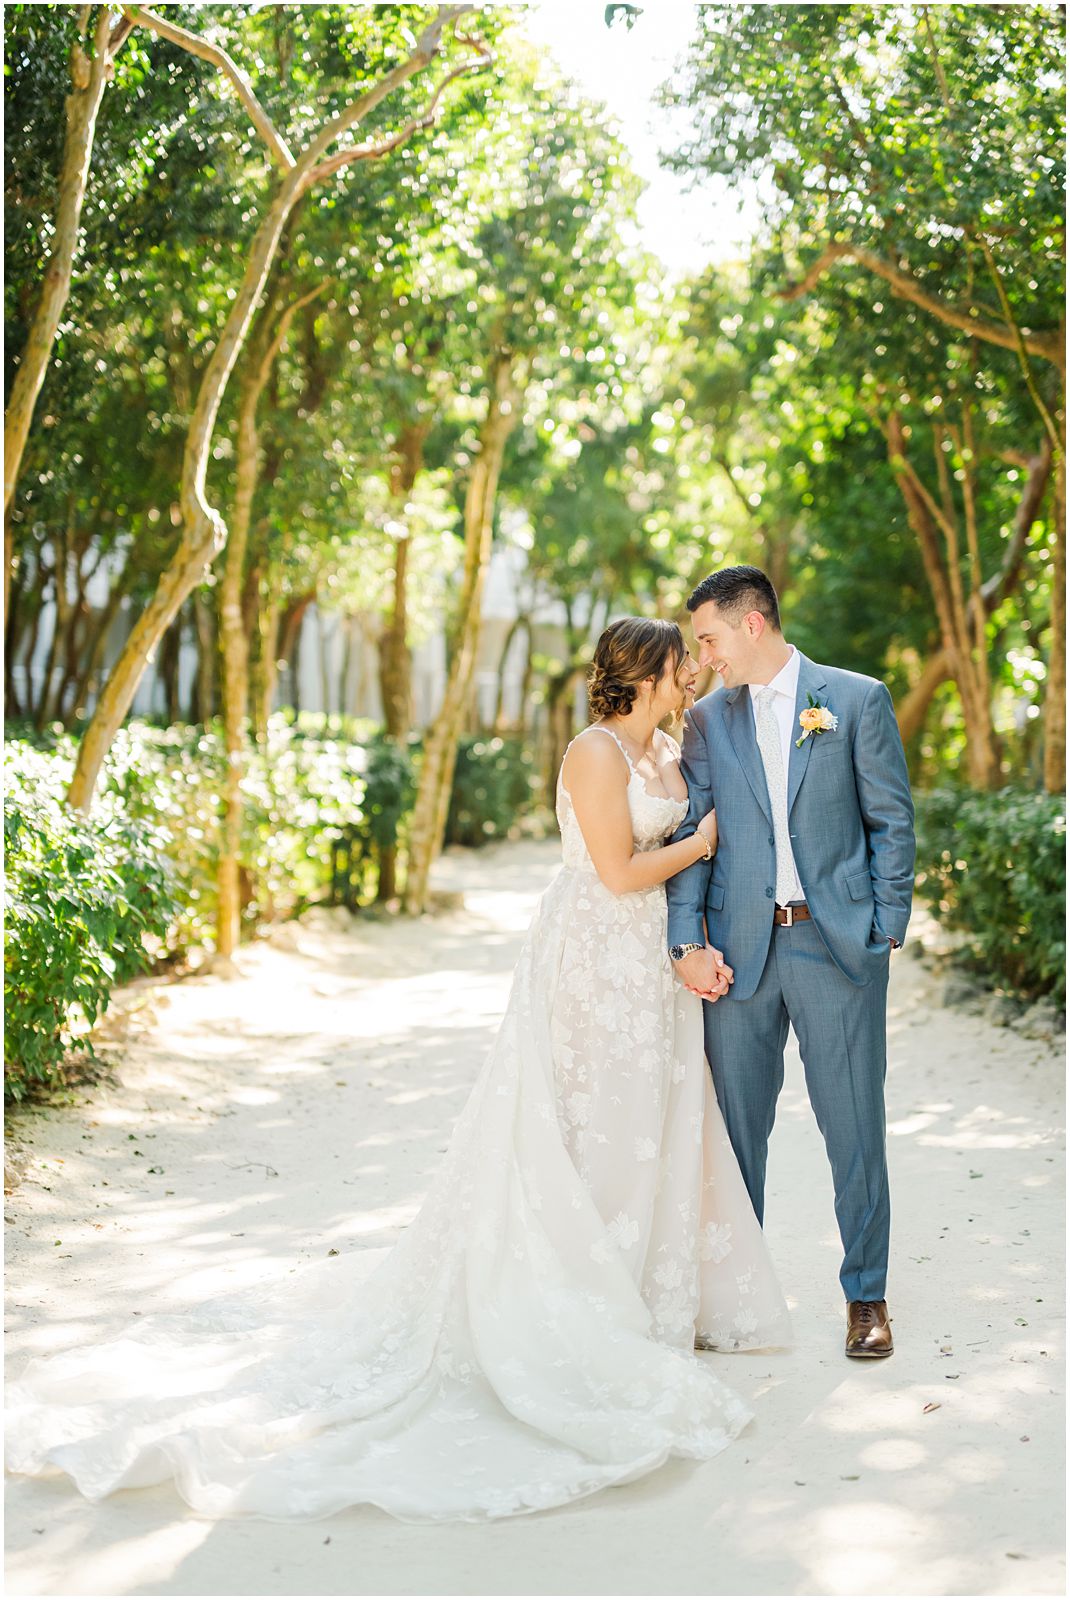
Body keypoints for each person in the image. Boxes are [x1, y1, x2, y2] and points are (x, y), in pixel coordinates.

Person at [6, 616, 789, 1524]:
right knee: (587, 1126)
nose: (689, 669)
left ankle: (641, 1294)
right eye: (678, 659)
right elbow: (616, 872)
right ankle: (578, 1304)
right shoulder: (595, 753)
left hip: (648, 966)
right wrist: (705, 841)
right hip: (591, 959)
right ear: (642, 673)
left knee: (645, 1125)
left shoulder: (668, 747)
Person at [666, 566, 915, 1360]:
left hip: (835, 945)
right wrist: (686, 942)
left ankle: (867, 1298)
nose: (704, 657)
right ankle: (740, 1300)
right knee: (736, 1133)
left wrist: (885, 927)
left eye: (709, 638)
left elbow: (891, 820)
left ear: (752, 624)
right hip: (737, 953)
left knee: (854, 1126)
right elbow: (693, 836)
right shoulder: (707, 720)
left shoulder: (856, 701)